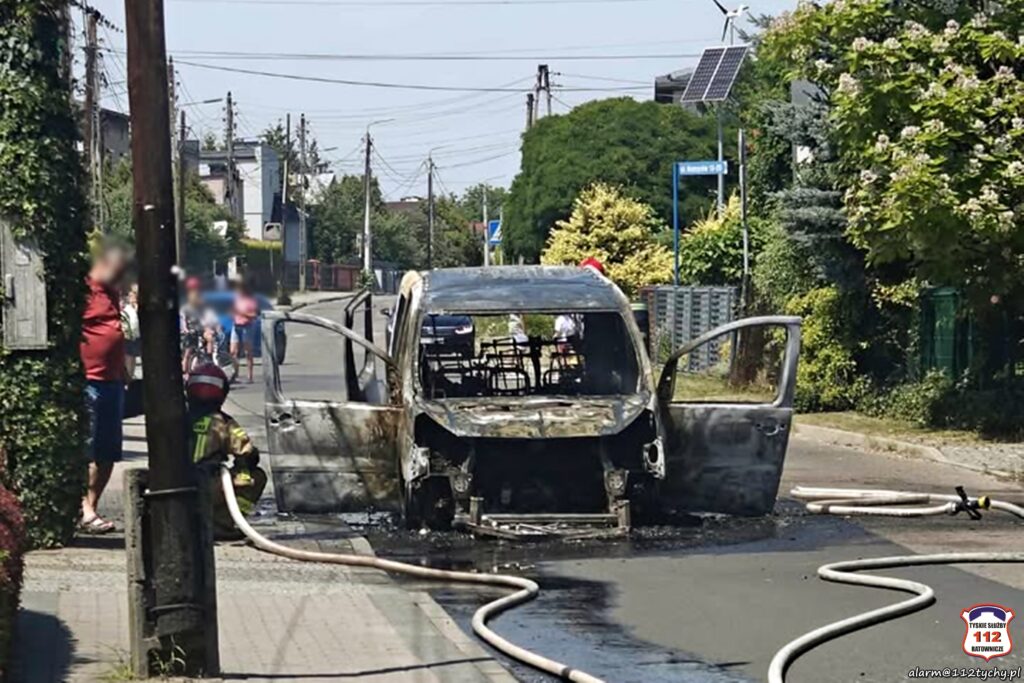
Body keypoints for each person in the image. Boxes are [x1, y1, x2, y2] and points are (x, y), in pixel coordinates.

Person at [80, 244, 130, 534]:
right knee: (85, 448)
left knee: (109, 451)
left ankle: (91, 506)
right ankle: (84, 510)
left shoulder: (112, 293)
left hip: (112, 381)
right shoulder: (85, 288)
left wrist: (122, 368)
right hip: (88, 380)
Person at [186, 363, 267, 539]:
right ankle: (223, 523)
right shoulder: (222, 422)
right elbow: (247, 453)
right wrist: (244, 466)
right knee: (256, 477)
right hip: (207, 485)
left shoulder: (176, 416)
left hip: (173, 483)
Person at [180, 277, 220, 372]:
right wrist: (185, 329)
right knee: (188, 353)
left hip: (200, 329)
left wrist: (210, 328)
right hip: (190, 330)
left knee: (209, 338)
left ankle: (209, 359)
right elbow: (183, 319)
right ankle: (185, 372)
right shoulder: (185, 306)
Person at [230, 278, 259, 383]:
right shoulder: (236, 299)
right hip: (236, 326)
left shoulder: (250, 301)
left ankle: (250, 376)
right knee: (233, 352)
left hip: (246, 327)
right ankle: (235, 374)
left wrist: (243, 314)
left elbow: (254, 315)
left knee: (248, 352)